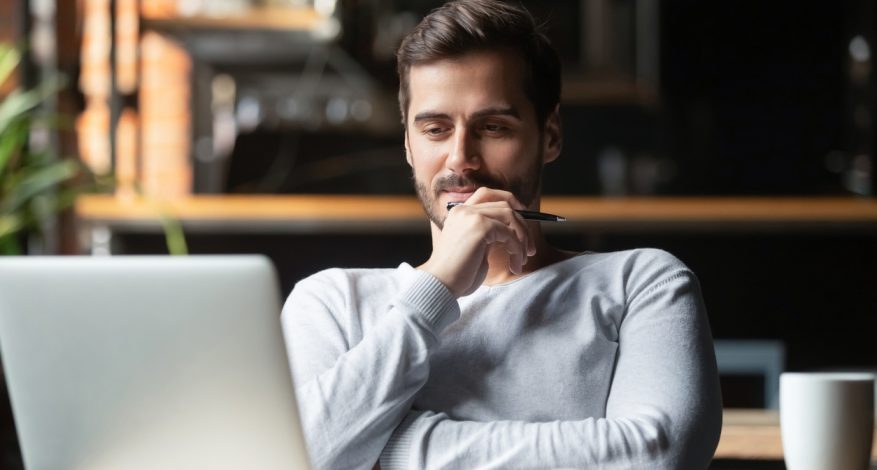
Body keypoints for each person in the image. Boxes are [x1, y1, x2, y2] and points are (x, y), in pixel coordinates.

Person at [281, 1, 722, 468]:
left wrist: (386, 449)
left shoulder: (643, 283)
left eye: (492, 127)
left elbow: (657, 454)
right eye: (435, 129)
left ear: (549, 135)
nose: (460, 159)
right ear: (408, 144)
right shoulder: (332, 302)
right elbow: (291, 458)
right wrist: (437, 287)